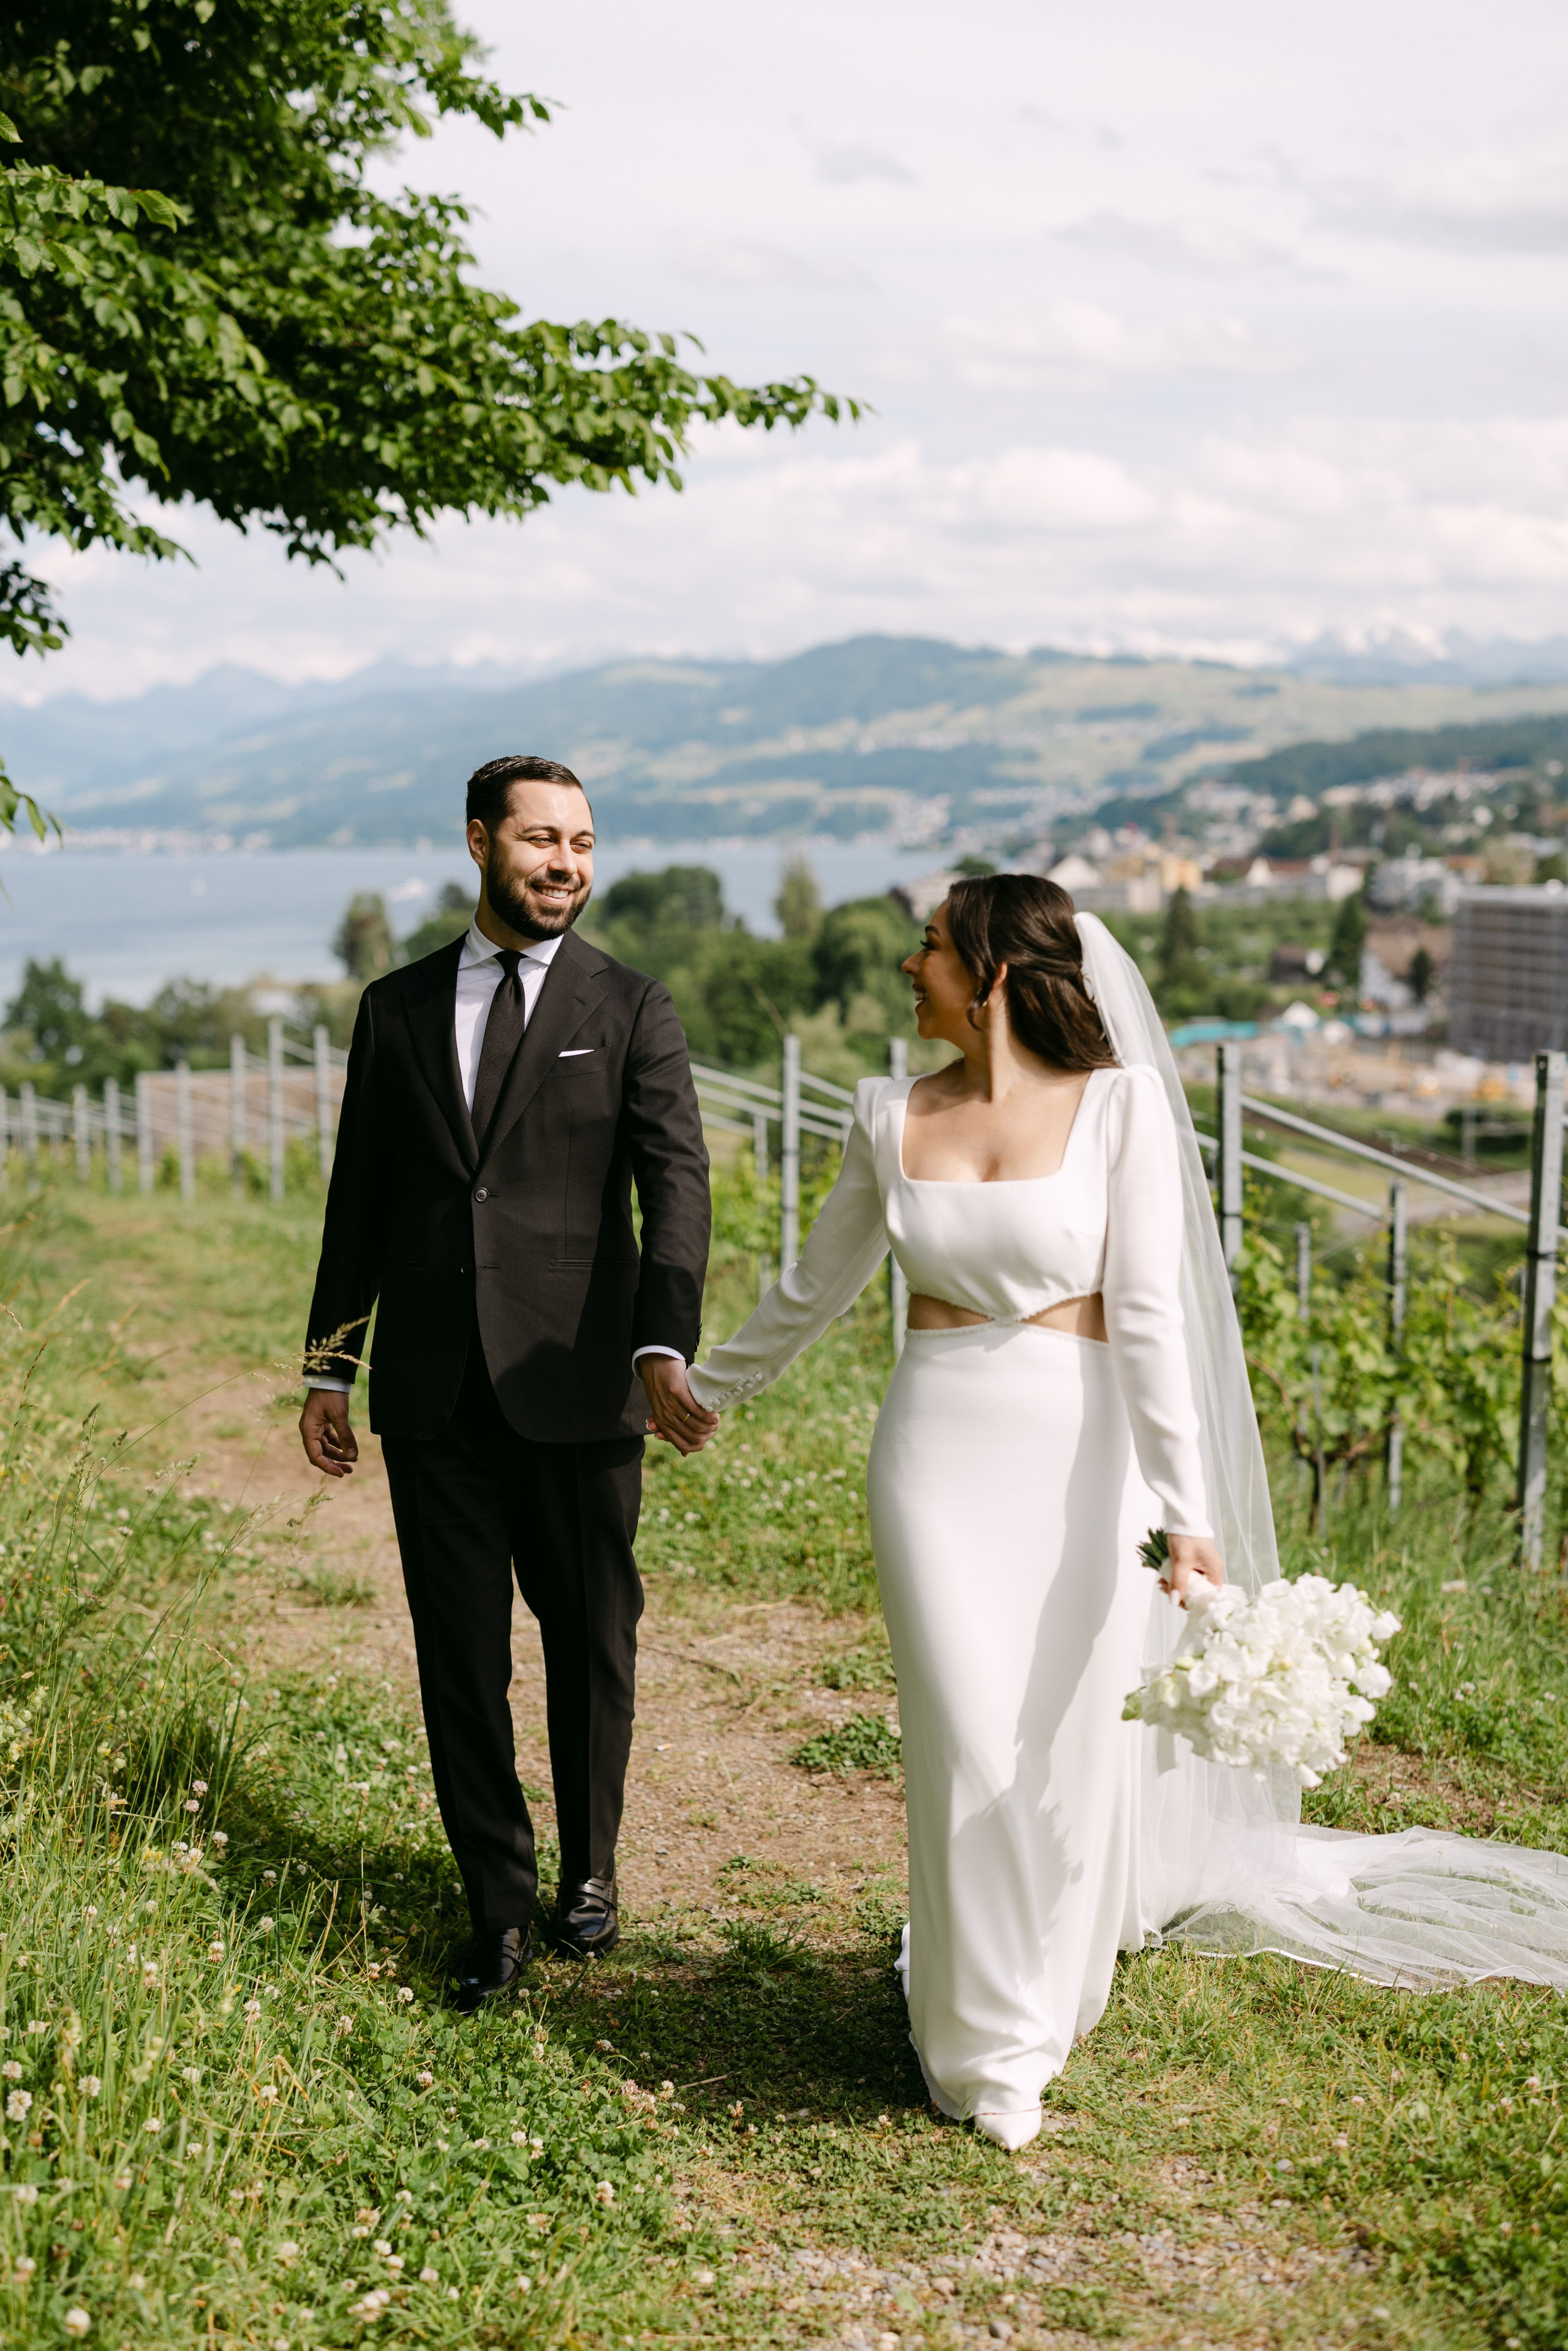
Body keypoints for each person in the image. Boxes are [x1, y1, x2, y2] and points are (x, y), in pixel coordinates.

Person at [668, 874, 1568, 2151]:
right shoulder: (887, 1113)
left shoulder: (1119, 1108)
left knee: (1065, 1737)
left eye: (927, 948)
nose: (907, 968)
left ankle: (1038, 2004)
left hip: (1084, 1458)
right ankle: (981, 2041)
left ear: (987, 974)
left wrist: (1185, 1509)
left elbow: (1146, 1316)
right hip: (932, 1456)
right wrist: (705, 1390)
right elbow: (816, 1282)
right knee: (964, 1736)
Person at [298, 755, 712, 2010]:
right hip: (432, 1389)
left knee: (590, 1637)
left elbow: (676, 1189)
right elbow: (358, 1195)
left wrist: (661, 1339)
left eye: (582, 843)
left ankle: (590, 1870)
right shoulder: (396, 1007)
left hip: (582, 1383)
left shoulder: (630, 1005)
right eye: (540, 840)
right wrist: (330, 1363)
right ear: (480, 842)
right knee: (456, 1658)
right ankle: (498, 1903)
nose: (565, 866)